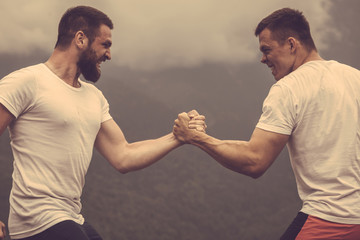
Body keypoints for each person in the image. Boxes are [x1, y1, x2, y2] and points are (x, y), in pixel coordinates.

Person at [0, 6, 205, 240]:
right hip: (35, 221)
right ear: (80, 38)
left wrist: (177, 136)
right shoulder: (27, 81)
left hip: (70, 215)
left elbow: (123, 155)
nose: (109, 55)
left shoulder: (94, 97)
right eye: (105, 45)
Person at [173, 7, 360, 240]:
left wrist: (196, 138)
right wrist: (207, 138)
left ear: (292, 44)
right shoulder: (354, 77)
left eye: (266, 50)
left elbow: (255, 161)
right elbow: (255, 147)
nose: (262, 59)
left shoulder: (289, 88)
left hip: (329, 220)